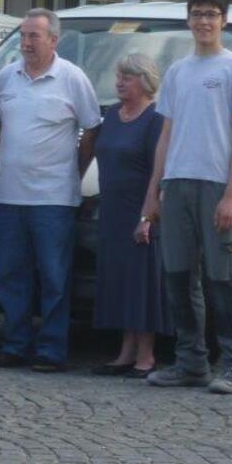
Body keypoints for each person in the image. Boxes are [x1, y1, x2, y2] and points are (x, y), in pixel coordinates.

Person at [142, 0, 232, 395]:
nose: (204, 21)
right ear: (188, 19)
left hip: (218, 185)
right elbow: (166, 136)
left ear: (223, 20)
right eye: (198, 13)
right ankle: (191, 362)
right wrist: (154, 191)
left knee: (224, 279)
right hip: (177, 185)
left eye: (211, 14)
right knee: (178, 277)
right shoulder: (177, 72)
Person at [0, 8, 101, 372]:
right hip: (9, 195)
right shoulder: (6, 76)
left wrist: (75, 171)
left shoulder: (72, 78)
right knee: (11, 276)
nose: (25, 43)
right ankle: (14, 344)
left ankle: (51, 350)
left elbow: (91, 131)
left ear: (54, 39)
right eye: (22, 36)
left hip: (53, 199)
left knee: (54, 276)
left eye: (33, 36)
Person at [91, 53, 169, 378]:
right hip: (111, 210)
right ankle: (125, 350)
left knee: (141, 282)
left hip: (141, 212)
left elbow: (160, 170)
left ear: (146, 80)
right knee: (119, 280)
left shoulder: (156, 119)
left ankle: (146, 355)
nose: (120, 81)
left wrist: (148, 215)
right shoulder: (111, 115)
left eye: (128, 76)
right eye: (119, 75)